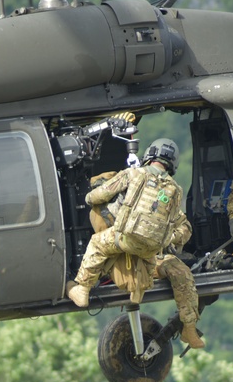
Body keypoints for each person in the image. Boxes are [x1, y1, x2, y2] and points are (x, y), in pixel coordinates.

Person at [67, 138, 205, 349]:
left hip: (123, 242)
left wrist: (92, 197)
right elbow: (185, 229)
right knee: (182, 273)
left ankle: (82, 288)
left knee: (97, 243)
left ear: (150, 155)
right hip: (152, 253)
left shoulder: (132, 174)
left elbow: (96, 196)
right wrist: (167, 238)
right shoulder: (174, 190)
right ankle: (189, 329)